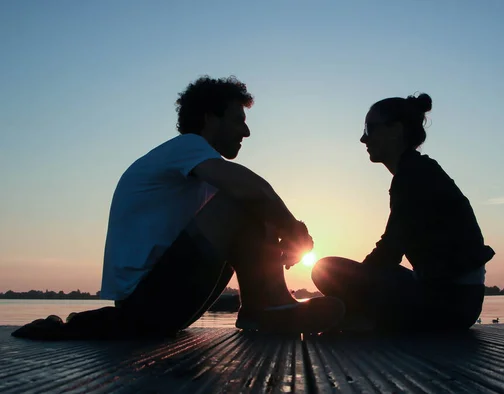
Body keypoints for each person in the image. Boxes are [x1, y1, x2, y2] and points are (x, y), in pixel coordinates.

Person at [12, 76, 345, 340]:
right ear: (210, 118)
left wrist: (276, 231)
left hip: (163, 303)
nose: (246, 131)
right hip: (146, 305)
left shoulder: (198, 172)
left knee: (254, 208)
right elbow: (251, 190)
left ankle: (266, 307)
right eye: (238, 120)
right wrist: (295, 230)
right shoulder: (187, 146)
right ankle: (269, 306)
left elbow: (254, 207)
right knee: (245, 199)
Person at [311, 93, 494, 332]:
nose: (363, 138)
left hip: (450, 305)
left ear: (396, 130)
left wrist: (355, 281)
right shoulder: (417, 171)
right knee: (335, 272)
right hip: (455, 300)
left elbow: (389, 250)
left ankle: (361, 321)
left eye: (370, 128)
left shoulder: (413, 176)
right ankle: (359, 318)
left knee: (325, 270)